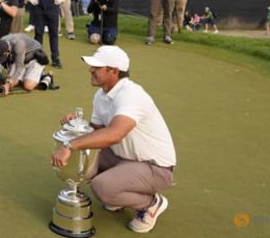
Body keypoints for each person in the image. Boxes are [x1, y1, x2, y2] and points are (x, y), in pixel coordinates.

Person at [49, 45, 176, 234]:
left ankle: (151, 204)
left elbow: (114, 134)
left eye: (97, 67)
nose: (90, 70)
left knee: (104, 187)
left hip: (155, 168)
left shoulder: (131, 95)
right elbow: (96, 131)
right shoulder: (101, 95)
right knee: (85, 160)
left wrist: (69, 144)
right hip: (124, 158)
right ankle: (118, 195)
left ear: (114, 71)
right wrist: (76, 125)